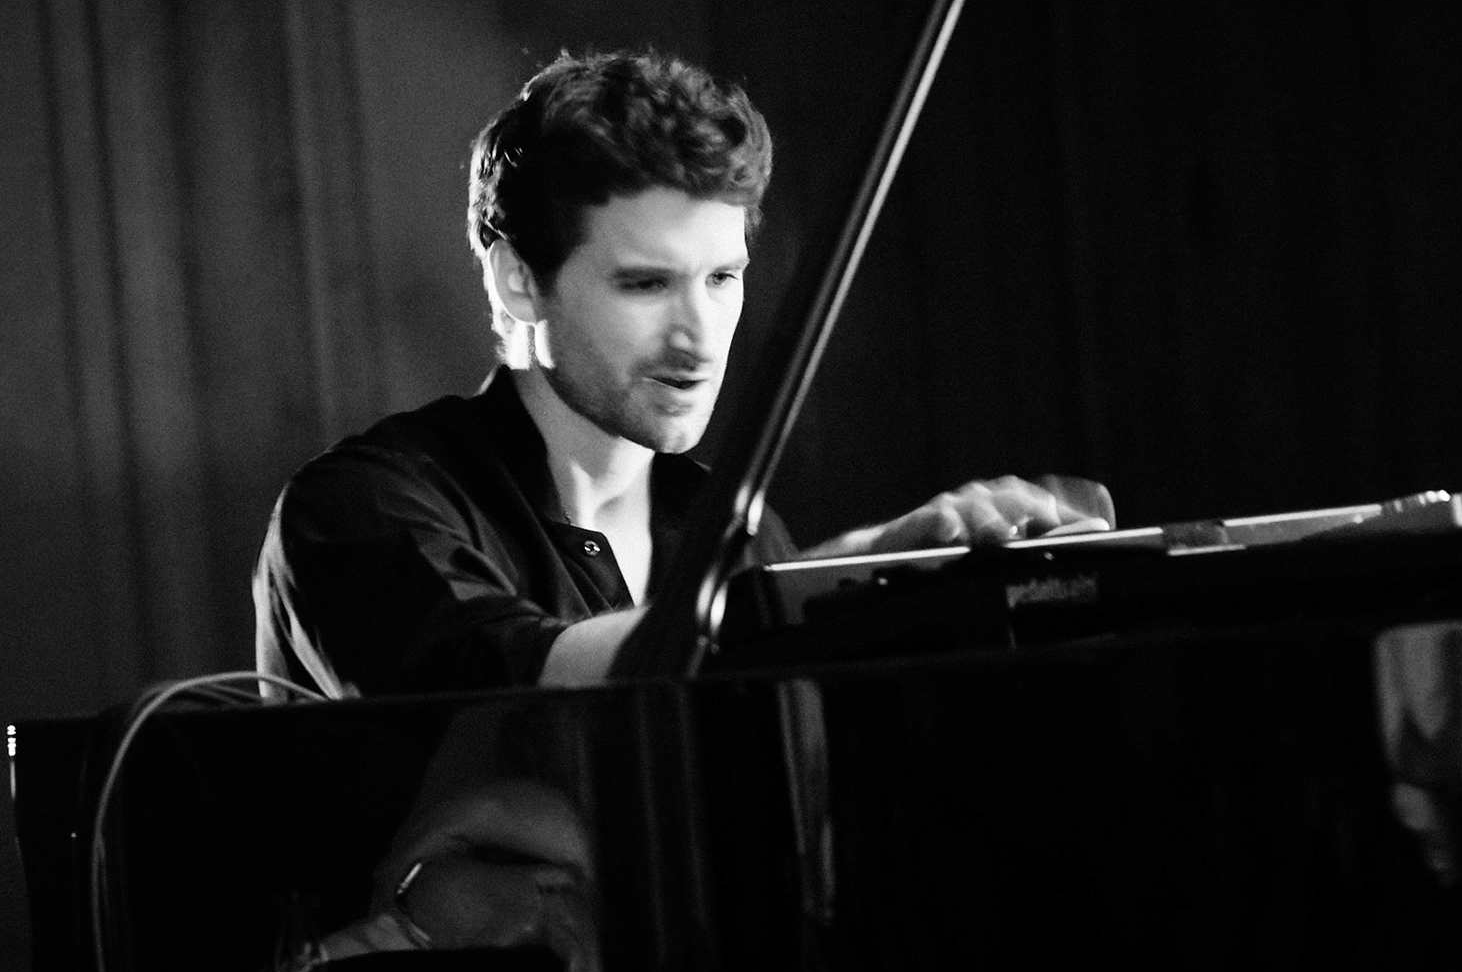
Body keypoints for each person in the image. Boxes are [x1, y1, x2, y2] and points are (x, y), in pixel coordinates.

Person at [254, 48, 1110, 697]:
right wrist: (852, 576)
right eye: (646, 283)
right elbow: (508, 684)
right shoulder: (358, 509)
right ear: (519, 278)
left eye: (722, 279)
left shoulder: (732, 531)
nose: (699, 335)